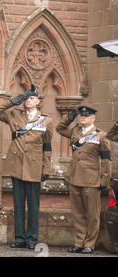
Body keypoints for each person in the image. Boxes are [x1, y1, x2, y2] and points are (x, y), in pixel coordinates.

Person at [0, 85, 53, 250]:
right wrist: (11, 102)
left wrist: (46, 169)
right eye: (25, 98)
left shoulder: (46, 120)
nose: (27, 101)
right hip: (16, 164)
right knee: (18, 204)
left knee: (33, 205)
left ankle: (32, 238)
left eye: (31, 98)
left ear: (38, 101)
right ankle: (19, 238)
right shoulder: (13, 114)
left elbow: (47, 147)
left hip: (34, 166)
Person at [56, 105, 112, 254]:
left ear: (93, 118)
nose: (82, 118)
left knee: (92, 215)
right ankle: (79, 243)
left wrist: (104, 180)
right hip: (74, 178)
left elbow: (107, 160)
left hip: (91, 180)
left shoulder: (101, 135)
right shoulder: (75, 131)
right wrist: (70, 117)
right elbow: (59, 128)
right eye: (81, 115)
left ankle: (89, 244)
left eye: (86, 116)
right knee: (78, 213)